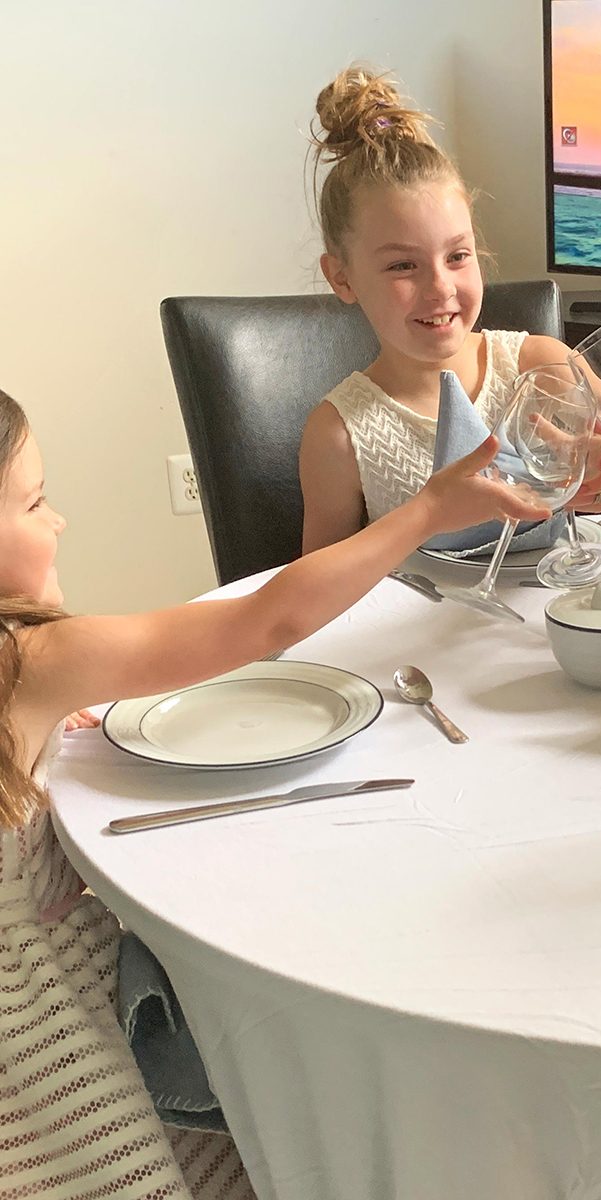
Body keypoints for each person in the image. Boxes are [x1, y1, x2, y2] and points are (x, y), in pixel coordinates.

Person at [0, 387, 547, 1197]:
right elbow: (267, 624)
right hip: (43, 1042)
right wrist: (427, 510)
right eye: (36, 501)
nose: (59, 522)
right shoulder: (28, 661)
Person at [299, 66, 601, 553]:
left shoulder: (539, 363)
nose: (439, 287)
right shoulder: (339, 435)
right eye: (403, 265)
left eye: (457, 256)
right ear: (342, 277)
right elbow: (319, 585)